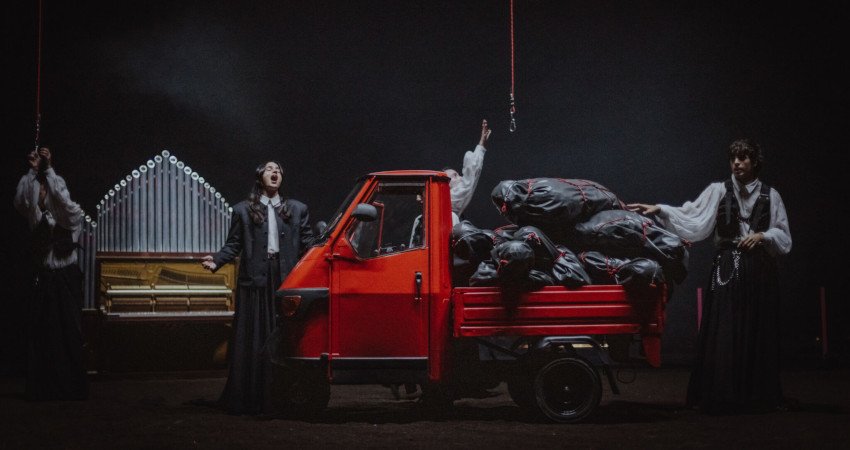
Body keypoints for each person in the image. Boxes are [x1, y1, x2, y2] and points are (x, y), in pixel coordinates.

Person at [628, 138, 792, 414]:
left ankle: (759, 396)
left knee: (758, 331)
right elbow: (693, 216)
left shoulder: (770, 195)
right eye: (733, 159)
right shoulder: (719, 190)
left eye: (743, 158)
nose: (737, 163)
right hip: (728, 269)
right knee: (724, 331)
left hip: (759, 272)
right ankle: (720, 395)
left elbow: (784, 237)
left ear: (754, 162)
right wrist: (662, 209)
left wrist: (763, 236)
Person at [201, 161, 314, 415]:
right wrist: (217, 260)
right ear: (259, 176)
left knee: (282, 337)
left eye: (279, 170)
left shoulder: (296, 209)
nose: (275, 173)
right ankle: (251, 397)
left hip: (284, 279)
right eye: (269, 169)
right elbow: (234, 244)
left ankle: (281, 397)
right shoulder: (242, 210)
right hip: (255, 281)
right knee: (254, 337)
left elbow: (308, 242)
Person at [14, 146, 88, 401]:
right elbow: (22, 200)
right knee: (43, 333)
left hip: (65, 278)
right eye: (41, 191)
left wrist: (49, 169)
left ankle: (70, 388)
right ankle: (44, 389)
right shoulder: (35, 215)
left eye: (46, 190)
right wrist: (33, 172)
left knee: (68, 332)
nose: (43, 193)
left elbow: (67, 204)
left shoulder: (69, 217)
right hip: (44, 277)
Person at [443, 118, 492, 225]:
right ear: (446, 187)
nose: (460, 178)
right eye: (455, 176)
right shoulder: (446, 201)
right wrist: (481, 144)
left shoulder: (451, 210)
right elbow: (469, 181)